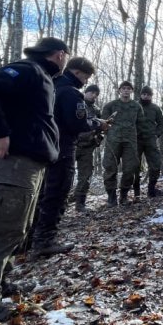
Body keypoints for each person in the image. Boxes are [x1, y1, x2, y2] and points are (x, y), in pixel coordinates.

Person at [0, 37, 68, 322]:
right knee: (2, 228)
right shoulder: (28, 69)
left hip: (29, 164)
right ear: (59, 55)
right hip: (13, 164)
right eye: (65, 56)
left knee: (17, 229)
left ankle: (0, 284)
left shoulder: (41, 76)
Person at [31, 57, 107, 257]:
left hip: (44, 146)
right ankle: (44, 241)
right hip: (63, 147)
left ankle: (32, 237)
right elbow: (77, 124)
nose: (86, 81)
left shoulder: (51, 86)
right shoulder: (71, 93)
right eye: (86, 77)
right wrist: (97, 124)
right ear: (78, 72)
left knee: (43, 193)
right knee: (57, 193)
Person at [101, 81, 145, 206]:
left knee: (130, 168)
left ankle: (124, 196)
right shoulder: (110, 105)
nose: (126, 91)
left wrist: (138, 137)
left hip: (130, 142)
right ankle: (111, 197)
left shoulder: (136, 106)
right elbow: (103, 123)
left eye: (128, 89)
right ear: (119, 90)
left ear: (131, 91)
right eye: (124, 88)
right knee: (110, 168)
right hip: (113, 141)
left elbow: (141, 124)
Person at [73, 84, 103, 212]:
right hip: (72, 145)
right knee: (63, 176)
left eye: (96, 94)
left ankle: (80, 204)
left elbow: (100, 128)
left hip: (87, 148)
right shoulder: (75, 102)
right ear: (85, 92)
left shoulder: (96, 110)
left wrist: (98, 138)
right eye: (91, 92)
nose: (94, 95)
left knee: (85, 176)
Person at [134, 85, 163, 197]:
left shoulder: (156, 108)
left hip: (150, 140)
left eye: (149, 95)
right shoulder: (134, 106)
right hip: (136, 140)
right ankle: (136, 192)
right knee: (134, 166)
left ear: (151, 96)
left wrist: (156, 134)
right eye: (144, 94)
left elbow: (161, 123)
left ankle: (151, 190)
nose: (146, 96)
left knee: (156, 164)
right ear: (141, 95)